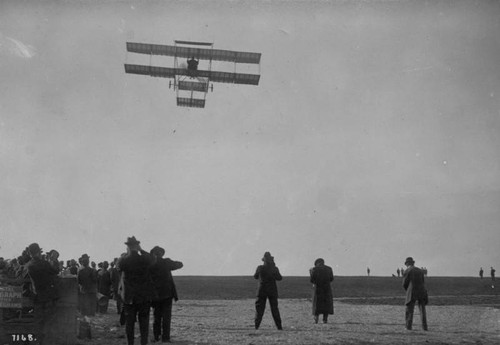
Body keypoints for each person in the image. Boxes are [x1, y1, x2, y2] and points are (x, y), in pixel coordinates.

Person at [118, 236, 155, 345]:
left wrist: (127, 253)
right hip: (144, 296)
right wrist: (141, 250)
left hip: (129, 297)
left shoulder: (124, 260)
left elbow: (118, 266)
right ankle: (143, 343)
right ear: (137, 246)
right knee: (144, 323)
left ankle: (130, 343)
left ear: (128, 247)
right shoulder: (144, 259)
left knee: (130, 324)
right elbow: (153, 259)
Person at [25, 243, 59, 345]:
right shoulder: (45, 264)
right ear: (39, 252)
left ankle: (39, 342)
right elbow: (56, 271)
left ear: (30, 253)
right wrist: (53, 260)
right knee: (49, 322)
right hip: (48, 297)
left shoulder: (28, 265)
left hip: (37, 297)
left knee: (39, 323)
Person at [150, 246, 183, 343]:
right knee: (166, 318)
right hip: (167, 294)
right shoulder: (166, 262)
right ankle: (166, 338)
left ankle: (156, 337)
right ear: (162, 253)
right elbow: (180, 264)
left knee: (156, 317)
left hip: (155, 295)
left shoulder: (150, 264)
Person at [253, 251, 283, 330]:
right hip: (272, 290)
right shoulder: (274, 268)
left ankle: (257, 325)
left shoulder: (260, 268)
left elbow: (255, 276)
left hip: (262, 290)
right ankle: (279, 326)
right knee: (274, 309)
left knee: (259, 309)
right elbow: (279, 278)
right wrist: (274, 267)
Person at [402, 257, 428, 331]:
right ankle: (424, 327)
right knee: (422, 310)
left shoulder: (407, 270)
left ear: (407, 264)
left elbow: (404, 284)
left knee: (409, 310)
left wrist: (408, 291)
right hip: (422, 291)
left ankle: (408, 326)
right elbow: (423, 282)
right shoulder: (420, 270)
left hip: (412, 292)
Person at [309, 258, 334, 324]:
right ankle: (325, 319)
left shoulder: (314, 269)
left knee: (316, 304)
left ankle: (316, 319)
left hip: (317, 289)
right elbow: (331, 278)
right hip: (326, 289)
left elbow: (312, 280)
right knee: (326, 304)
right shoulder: (329, 269)